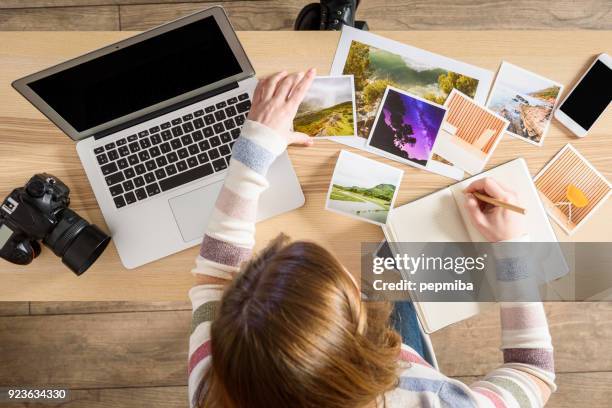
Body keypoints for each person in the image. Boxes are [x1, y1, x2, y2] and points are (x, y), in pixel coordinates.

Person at [187, 69, 556, 408]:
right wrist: (512, 248)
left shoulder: (219, 382)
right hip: (393, 362)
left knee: (389, 261)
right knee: (390, 265)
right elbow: (533, 373)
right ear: (356, 339)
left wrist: (255, 149)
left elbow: (213, 278)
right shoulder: (434, 400)